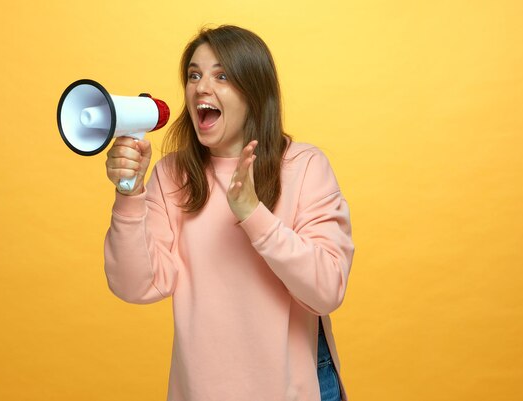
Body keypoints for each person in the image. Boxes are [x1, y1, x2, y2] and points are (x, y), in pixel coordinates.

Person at [104, 25, 354, 401]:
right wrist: (130, 192)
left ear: (254, 92)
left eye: (221, 75)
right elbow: (136, 285)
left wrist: (253, 214)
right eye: (194, 74)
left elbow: (327, 289)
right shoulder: (173, 174)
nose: (201, 87)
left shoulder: (304, 166)